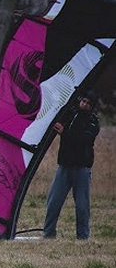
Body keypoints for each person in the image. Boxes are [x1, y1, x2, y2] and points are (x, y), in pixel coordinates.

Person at [43, 90, 100, 240]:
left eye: (88, 103)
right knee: (54, 201)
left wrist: (65, 133)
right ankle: (48, 233)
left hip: (82, 167)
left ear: (92, 106)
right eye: (83, 101)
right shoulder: (70, 114)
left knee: (82, 205)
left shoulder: (93, 122)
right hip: (64, 165)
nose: (85, 105)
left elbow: (83, 140)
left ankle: (82, 236)